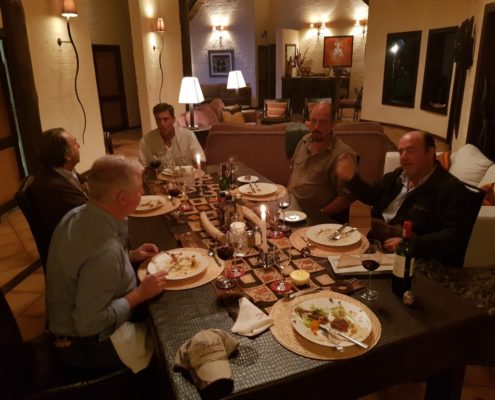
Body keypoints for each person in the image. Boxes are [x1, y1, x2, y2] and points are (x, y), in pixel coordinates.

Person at [45, 155, 167, 372]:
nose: (142, 193)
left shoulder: (78, 214)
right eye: (139, 189)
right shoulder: (104, 252)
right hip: (85, 346)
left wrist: (129, 255)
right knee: (167, 338)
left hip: (69, 323)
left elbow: (90, 265)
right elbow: (87, 323)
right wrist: (139, 295)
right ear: (122, 198)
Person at [336, 130, 473, 266]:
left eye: (410, 151)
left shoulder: (451, 189)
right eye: (400, 152)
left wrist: (411, 244)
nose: (403, 157)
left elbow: (455, 236)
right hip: (377, 246)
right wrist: (351, 178)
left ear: (431, 152)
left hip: (411, 260)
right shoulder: (399, 175)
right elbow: (372, 195)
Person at [288, 101, 357, 224]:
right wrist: (287, 198)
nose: (316, 127)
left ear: (333, 124)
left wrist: (321, 213)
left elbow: (347, 196)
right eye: (313, 121)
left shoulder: (342, 154)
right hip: (292, 210)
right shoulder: (304, 140)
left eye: (323, 122)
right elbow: (293, 171)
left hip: (315, 220)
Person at [29, 128, 88, 255]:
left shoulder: (60, 171)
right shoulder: (53, 187)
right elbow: (90, 213)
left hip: (78, 230)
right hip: (73, 245)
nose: (79, 146)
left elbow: (88, 186)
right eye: (75, 144)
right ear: (67, 156)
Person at [139, 102, 205, 168]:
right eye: (158, 120)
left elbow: (201, 161)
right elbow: (142, 168)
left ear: (173, 119)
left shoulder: (188, 136)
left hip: (186, 174)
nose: (162, 124)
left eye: (165, 119)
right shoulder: (146, 140)